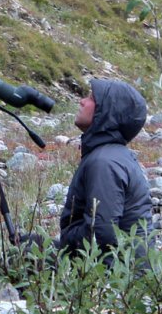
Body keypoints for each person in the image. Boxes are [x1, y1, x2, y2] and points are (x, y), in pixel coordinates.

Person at [56, 78, 153, 260]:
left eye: (91, 98)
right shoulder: (111, 155)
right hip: (120, 265)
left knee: (24, 253)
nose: (82, 101)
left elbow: (101, 234)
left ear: (107, 112)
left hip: (115, 272)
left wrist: (61, 245)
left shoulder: (104, 162)